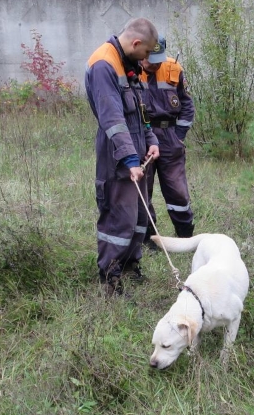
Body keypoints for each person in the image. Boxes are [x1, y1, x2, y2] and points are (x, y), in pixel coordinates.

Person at [85, 18, 160, 296]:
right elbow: (113, 119)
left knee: (139, 215)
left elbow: (141, 111)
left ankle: (130, 266)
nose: (149, 59)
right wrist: (129, 159)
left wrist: (151, 141)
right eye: (148, 52)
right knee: (119, 218)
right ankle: (110, 276)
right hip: (116, 154)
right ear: (136, 43)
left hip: (137, 152)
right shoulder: (104, 63)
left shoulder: (130, 64)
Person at [139, 35, 196, 247]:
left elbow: (187, 105)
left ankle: (185, 239)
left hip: (169, 137)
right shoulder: (129, 71)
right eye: (150, 59)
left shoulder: (174, 69)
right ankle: (149, 240)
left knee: (178, 192)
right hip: (143, 137)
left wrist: (178, 136)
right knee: (143, 191)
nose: (154, 64)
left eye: (158, 58)